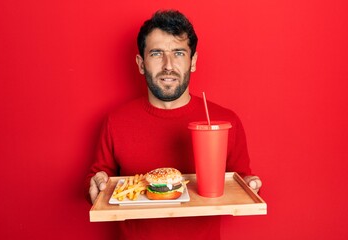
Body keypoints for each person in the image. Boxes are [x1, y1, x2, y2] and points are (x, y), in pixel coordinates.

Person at [85, 10, 262, 240]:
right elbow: (100, 179)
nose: (168, 65)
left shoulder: (226, 121)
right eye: (157, 53)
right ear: (141, 63)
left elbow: (242, 183)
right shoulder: (115, 121)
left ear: (193, 61)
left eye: (178, 53)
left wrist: (251, 184)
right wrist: (96, 183)